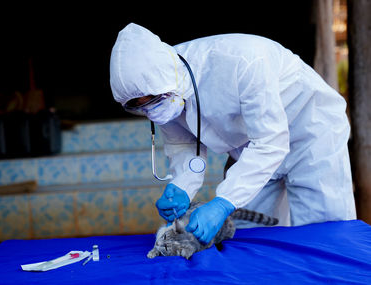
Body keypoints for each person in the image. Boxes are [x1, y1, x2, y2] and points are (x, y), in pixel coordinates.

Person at [109, 23, 356, 245]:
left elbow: (270, 142)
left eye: (154, 100)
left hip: (309, 135)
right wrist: (182, 185)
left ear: (170, 79)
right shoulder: (161, 90)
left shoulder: (241, 62)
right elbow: (183, 145)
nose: (152, 110)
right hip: (250, 152)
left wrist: (223, 202)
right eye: (140, 106)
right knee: (253, 238)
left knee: (325, 236)